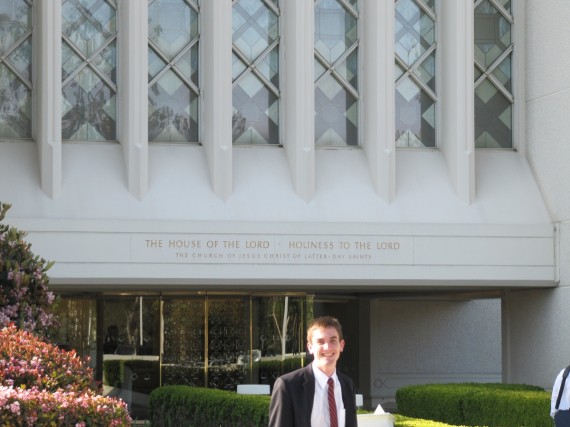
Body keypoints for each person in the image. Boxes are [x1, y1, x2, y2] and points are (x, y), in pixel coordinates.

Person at [269, 316, 358, 427]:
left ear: (341, 345)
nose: (327, 347)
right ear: (310, 347)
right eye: (320, 342)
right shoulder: (288, 385)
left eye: (333, 340)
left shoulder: (347, 385)